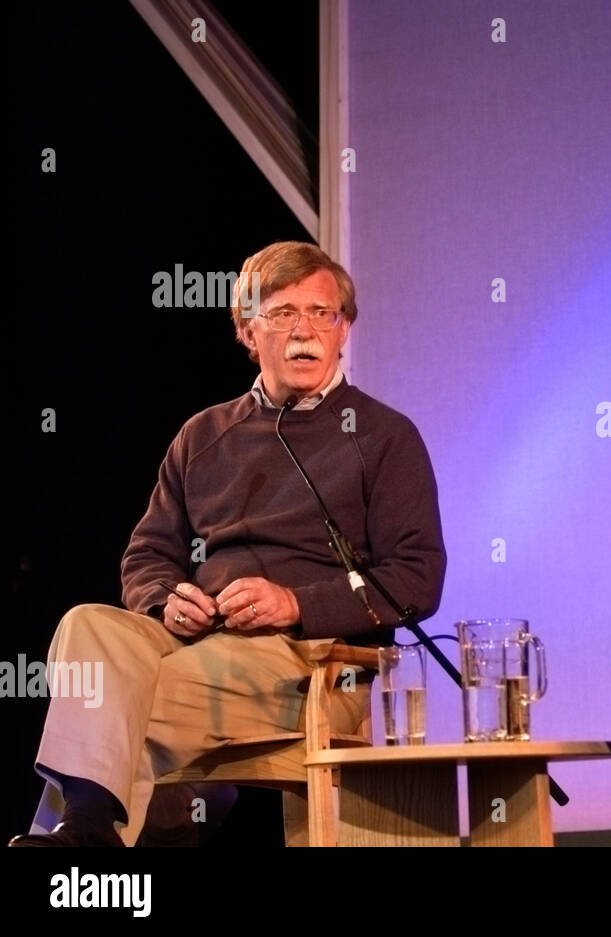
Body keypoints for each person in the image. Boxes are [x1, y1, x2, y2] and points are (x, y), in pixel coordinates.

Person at [10, 241, 447, 846]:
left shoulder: (383, 436)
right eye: (285, 313)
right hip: (197, 639)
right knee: (89, 627)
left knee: (115, 705)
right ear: (248, 330)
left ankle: (84, 840)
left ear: (344, 329)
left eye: (324, 314)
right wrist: (166, 600)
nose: (306, 330)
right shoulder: (204, 434)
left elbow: (416, 578)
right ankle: (93, 825)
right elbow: (147, 556)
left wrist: (295, 604)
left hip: (313, 663)